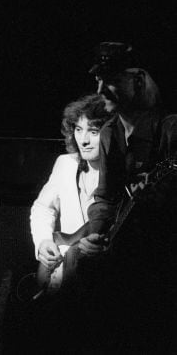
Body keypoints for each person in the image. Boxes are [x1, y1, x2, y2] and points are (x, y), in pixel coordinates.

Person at [85, 41, 177, 351]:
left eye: (109, 80)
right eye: (98, 80)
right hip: (123, 267)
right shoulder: (110, 132)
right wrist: (96, 232)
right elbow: (106, 195)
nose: (100, 89)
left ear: (137, 81)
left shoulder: (170, 129)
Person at [30, 94, 113, 284]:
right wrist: (43, 241)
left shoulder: (120, 178)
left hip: (103, 280)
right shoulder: (65, 164)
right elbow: (43, 208)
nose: (83, 140)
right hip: (61, 275)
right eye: (78, 129)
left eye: (93, 132)